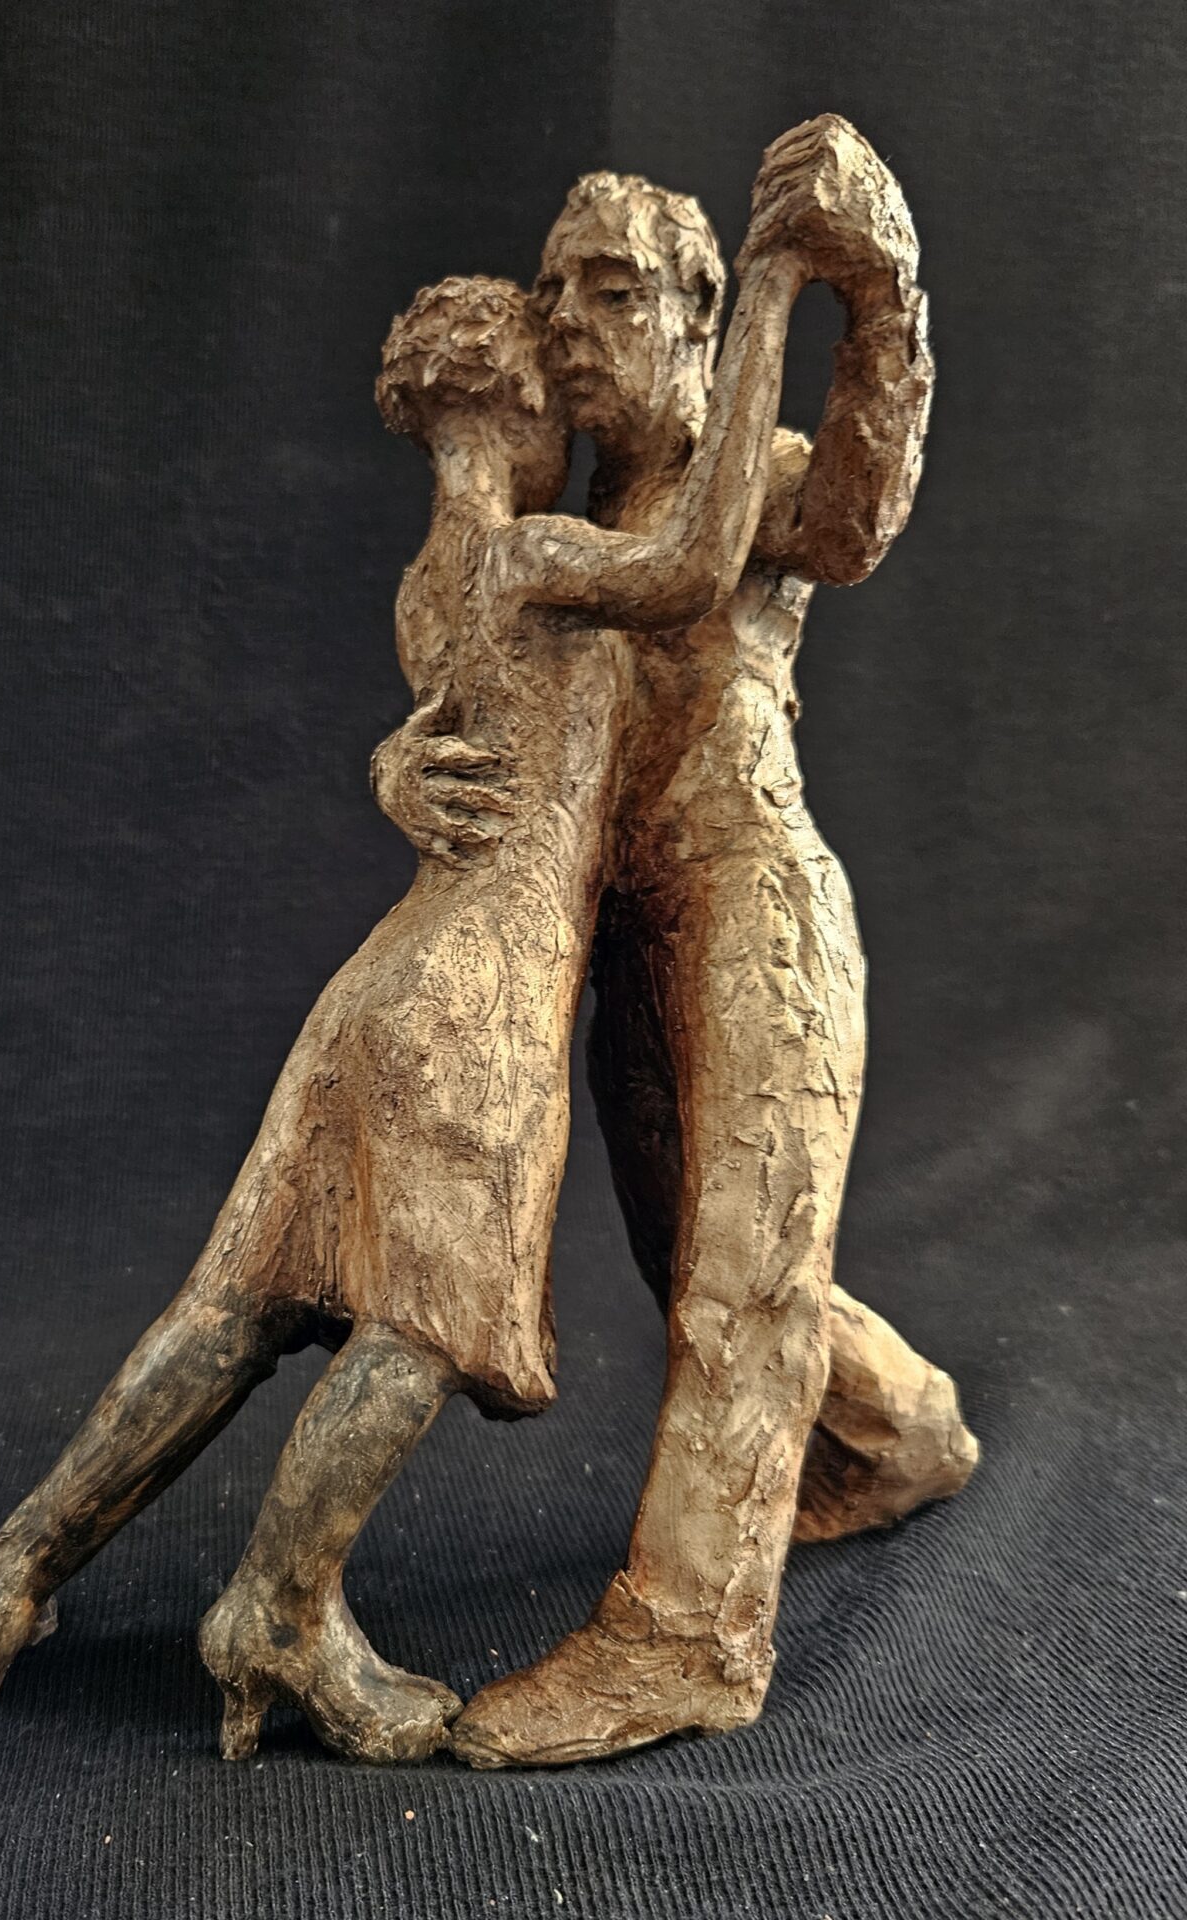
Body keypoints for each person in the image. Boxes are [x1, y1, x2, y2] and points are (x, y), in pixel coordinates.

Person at [0, 164, 818, 1763]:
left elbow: (457, 735)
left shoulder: (430, 587)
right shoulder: (531, 554)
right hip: (480, 996)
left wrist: (391, 766)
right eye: (550, 366)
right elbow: (700, 564)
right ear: (514, 409)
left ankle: (12, 1573)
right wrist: (770, 295)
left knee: (238, 1303)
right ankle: (280, 1608)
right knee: (418, 1324)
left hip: (382, 978)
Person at [377, 118, 979, 1768]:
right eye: (558, 294)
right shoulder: (570, 515)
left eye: (615, 291)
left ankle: (691, 1635)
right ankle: (902, 1431)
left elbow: (855, 521)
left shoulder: (753, 473)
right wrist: (402, 769)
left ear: (702, 314)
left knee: (738, 1272)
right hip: (633, 929)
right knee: (703, 1260)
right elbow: (469, 691)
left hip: (756, 909)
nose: (572, 325)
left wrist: (881, 290)